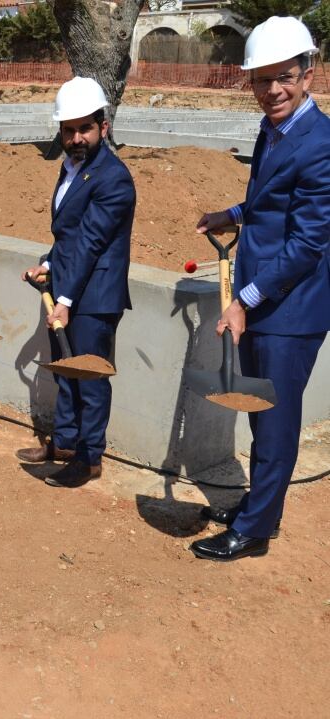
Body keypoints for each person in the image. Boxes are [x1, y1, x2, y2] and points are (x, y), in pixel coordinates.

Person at [192, 17, 330, 561]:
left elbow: (306, 246)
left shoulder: (320, 145)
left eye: (285, 77)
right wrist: (230, 214)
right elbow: (270, 200)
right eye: (261, 79)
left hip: (290, 308)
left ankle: (255, 530)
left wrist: (243, 302)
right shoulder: (274, 128)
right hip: (264, 294)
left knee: (274, 421)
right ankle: (260, 506)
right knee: (258, 410)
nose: (273, 89)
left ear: (309, 75)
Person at [18, 77, 135, 486]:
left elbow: (91, 241)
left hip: (95, 296)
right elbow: (68, 236)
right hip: (68, 287)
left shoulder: (113, 178)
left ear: (104, 127)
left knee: (89, 376)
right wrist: (48, 263)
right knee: (65, 370)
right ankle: (65, 444)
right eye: (68, 130)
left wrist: (64, 298)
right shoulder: (70, 168)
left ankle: (88, 459)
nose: (76, 137)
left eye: (84, 128)